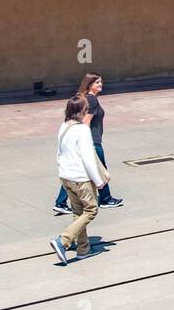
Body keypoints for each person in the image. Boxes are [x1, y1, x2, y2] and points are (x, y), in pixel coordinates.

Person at [52, 72, 122, 213]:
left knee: (92, 169)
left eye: (101, 82)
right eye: (97, 83)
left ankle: (61, 202)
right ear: (89, 85)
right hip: (93, 142)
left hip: (91, 141)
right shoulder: (92, 101)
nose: (100, 85)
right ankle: (105, 199)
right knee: (100, 168)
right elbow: (86, 122)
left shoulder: (86, 99)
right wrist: (87, 142)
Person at [50, 95, 108, 264]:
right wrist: (98, 181)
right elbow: (88, 159)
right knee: (91, 210)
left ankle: (83, 249)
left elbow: (60, 152)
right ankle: (63, 240)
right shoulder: (82, 130)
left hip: (66, 177)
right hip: (80, 178)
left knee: (78, 213)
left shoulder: (64, 126)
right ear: (83, 111)